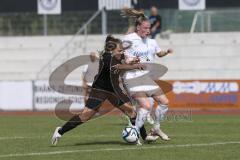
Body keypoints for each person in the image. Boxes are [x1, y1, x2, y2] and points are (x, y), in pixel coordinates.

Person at [51, 35, 152, 146]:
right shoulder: (107, 58)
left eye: (122, 50)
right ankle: (60, 131)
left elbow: (126, 58)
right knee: (86, 116)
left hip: (113, 89)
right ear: (111, 50)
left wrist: (133, 60)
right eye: (119, 50)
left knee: (131, 112)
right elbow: (119, 67)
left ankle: (144, 137)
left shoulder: (117, 54)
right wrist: (136, 66)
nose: (121, 52)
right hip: (100, 89)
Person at [121, 8, 173, 141]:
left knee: (164, 102)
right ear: (138, 27)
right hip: (132, 77)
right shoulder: (129, 38)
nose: (148, 30)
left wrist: (166, 52)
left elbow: (159, 53)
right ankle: (136, 134)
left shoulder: (151, 42)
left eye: (149, 28)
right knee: (146, 106)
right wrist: (129, 60)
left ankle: (156, 127)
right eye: (145, 28)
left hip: (145, 78)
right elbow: (122, 55)